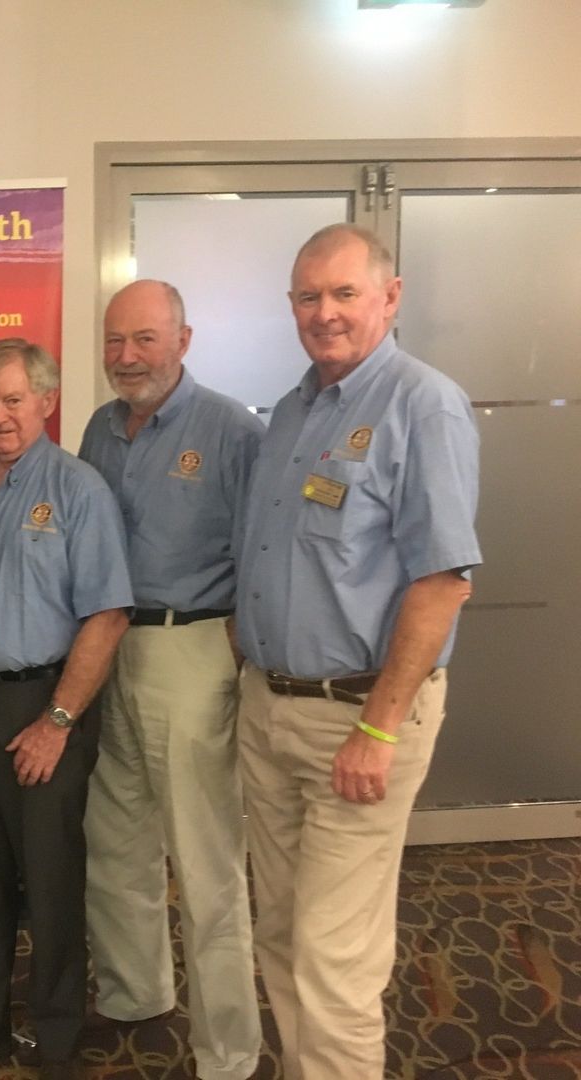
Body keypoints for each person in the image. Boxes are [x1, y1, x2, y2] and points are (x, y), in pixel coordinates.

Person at [234, 224, 481, 1079]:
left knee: (334, 958)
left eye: (344, 294)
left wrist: (378, 730)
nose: (325, 313)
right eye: (309, 297)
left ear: (391, 295)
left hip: (360, 721)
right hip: (271, 712)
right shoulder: (294, 409)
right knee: (280, 931)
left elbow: (442, 581)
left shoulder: (424, 404)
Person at [0, 339, 132, 1080]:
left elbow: (107, 616)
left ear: (45, 401)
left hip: (48, 708)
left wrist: (59, 722)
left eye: (12, 400)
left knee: (50, 879)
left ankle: (59, 1037)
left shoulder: (80, 491)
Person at [78, 281, 263, 1079]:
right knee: (114, 838)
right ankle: (134, 994)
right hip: (104, 651)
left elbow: (261, 552)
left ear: (183, 340)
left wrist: (235, 652)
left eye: (145, 340)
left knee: (206, 858)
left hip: (189, 651)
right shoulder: (99, 426)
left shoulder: (229, 429)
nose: (127, 358)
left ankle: (228, 1049)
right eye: (116, 341)